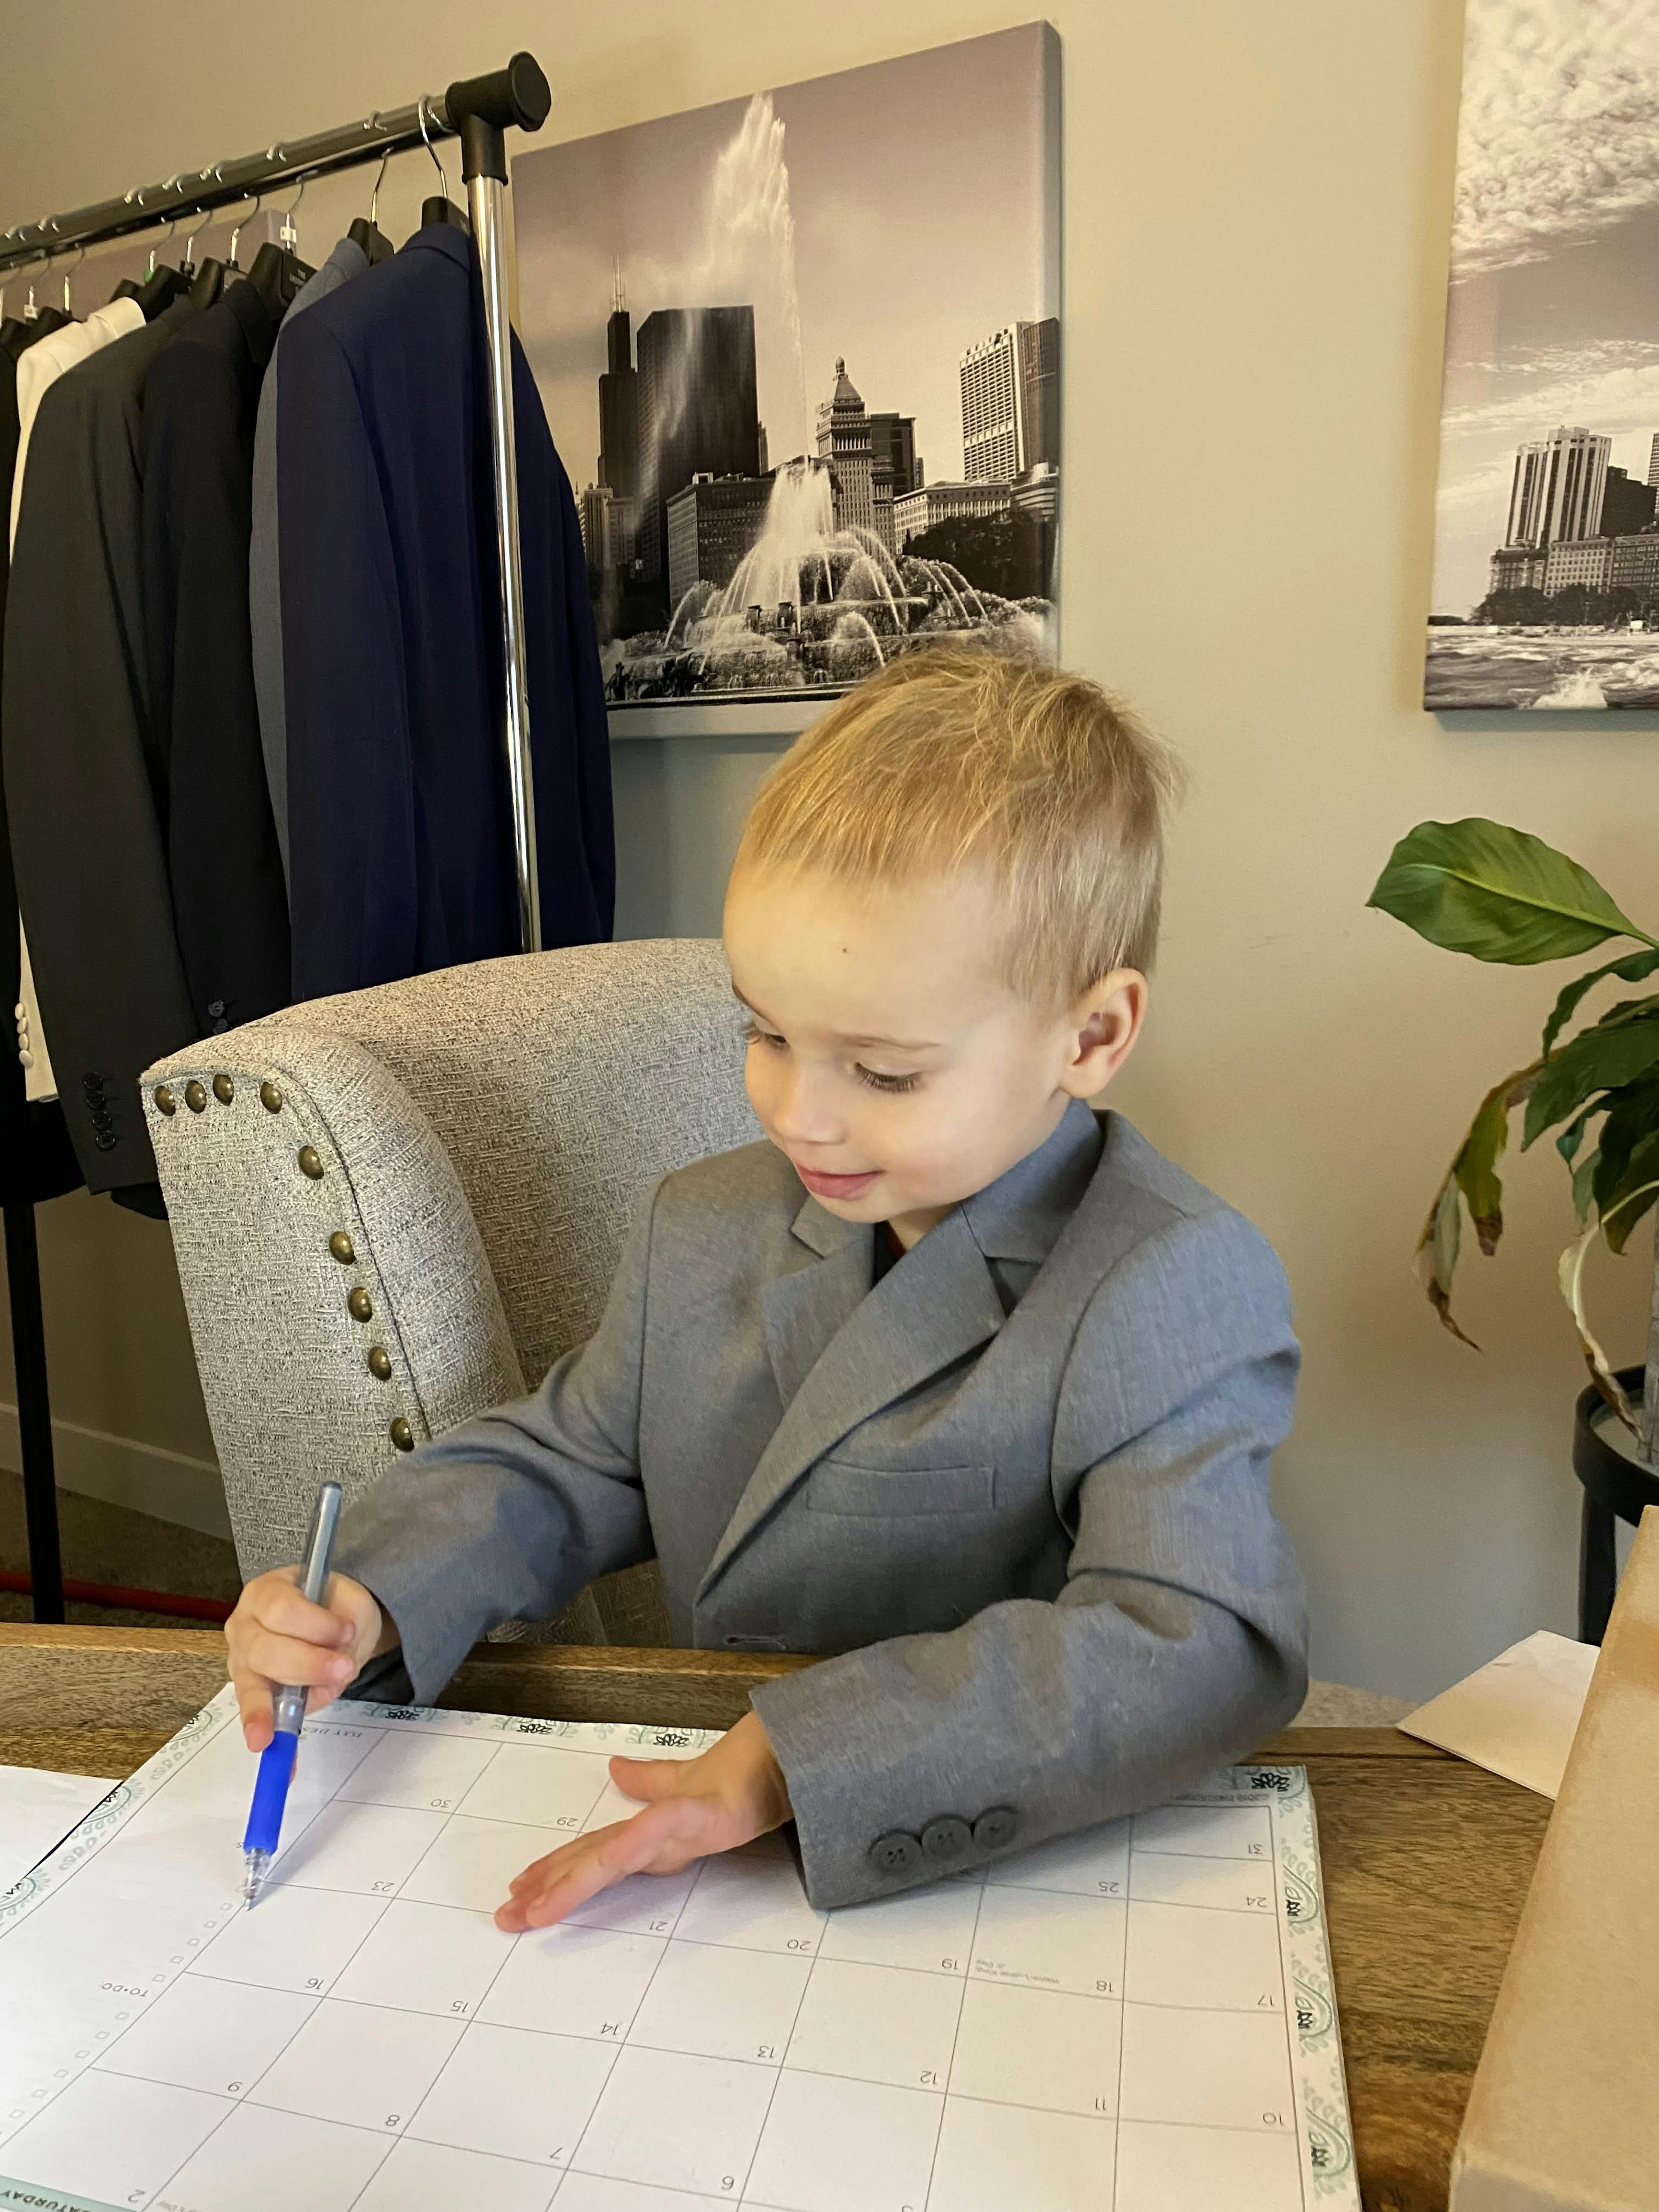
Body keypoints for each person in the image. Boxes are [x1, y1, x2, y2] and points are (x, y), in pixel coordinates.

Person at [223, 646, 1306, 1926]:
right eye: (768, 1032)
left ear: (1093, 1035)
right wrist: (370, 1595)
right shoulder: (705, 1221)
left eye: (886, 1072)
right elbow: (569, 1462)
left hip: (982, 1882)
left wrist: (795, 1761)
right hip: (698, 1867)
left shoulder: (1169, 1278)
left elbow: (1195, 1645)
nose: (800, 1114)